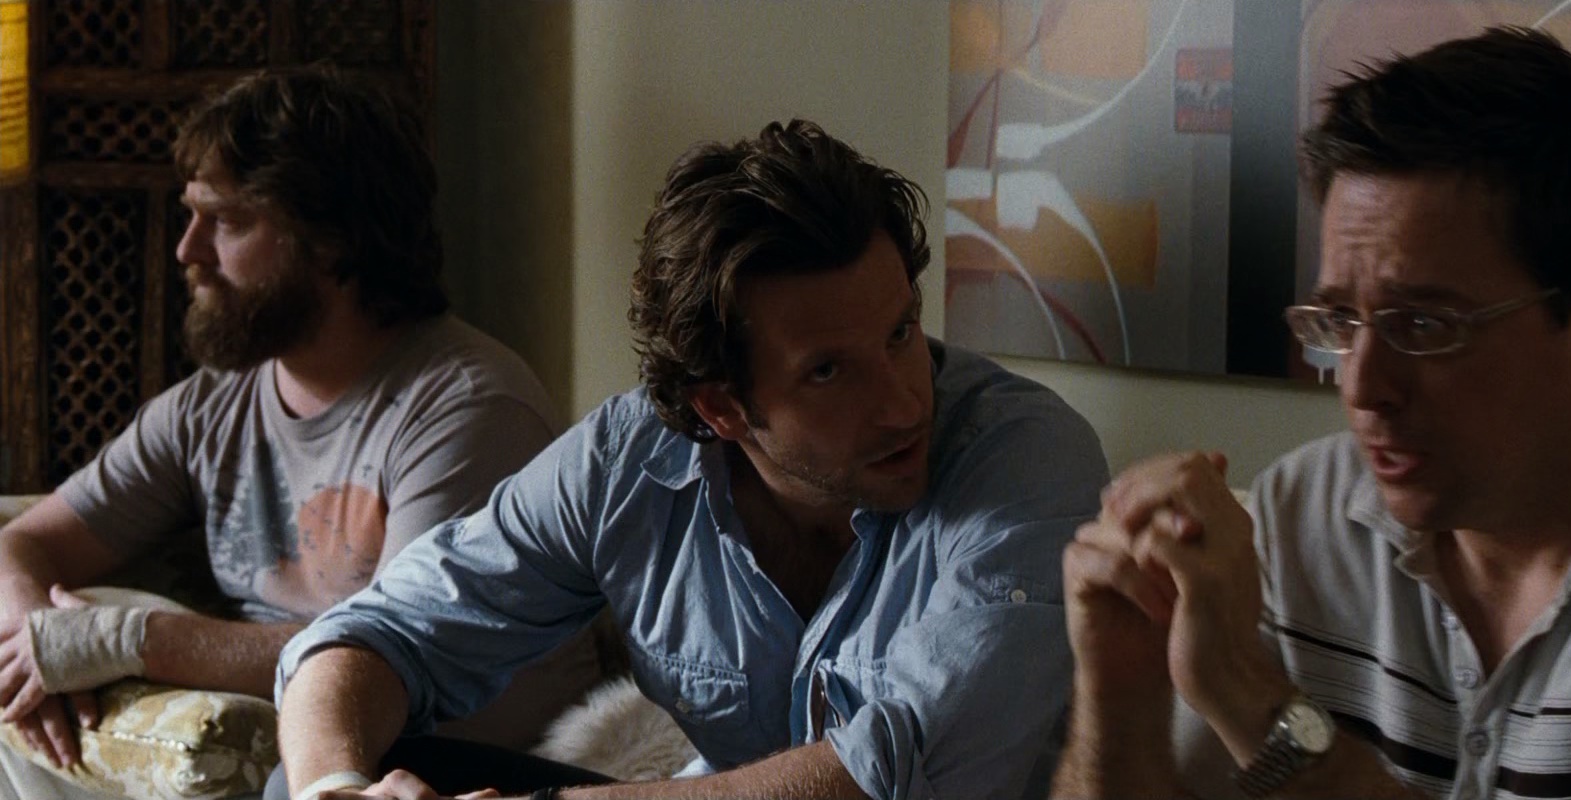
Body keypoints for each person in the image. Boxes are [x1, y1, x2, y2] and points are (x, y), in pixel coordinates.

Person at [1052, 26, 1571, 800]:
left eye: (1425, 325)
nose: (1361, 387)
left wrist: (1247, 694)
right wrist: (1118, 688)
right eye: (1340, 321)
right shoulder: (1300, 516)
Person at [272, 119, 1109, 800]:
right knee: (305, 779)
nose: (902, 402)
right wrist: (334, 788)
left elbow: (888, 775)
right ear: (721, 408)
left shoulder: (1026, 460)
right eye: (828, 371)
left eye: (900, 332)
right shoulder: (628, 461)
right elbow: (379, 632)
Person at [0, 67, 601, 799]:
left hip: (446, 765)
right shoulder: (210, 407)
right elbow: (20, 544)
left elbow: (393, 653)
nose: (188, 251)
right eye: (192, 216)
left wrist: (122, 640)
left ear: (330, 238)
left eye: (226, 221)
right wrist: (35, 649)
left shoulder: (466, 410)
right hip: (285, 739)